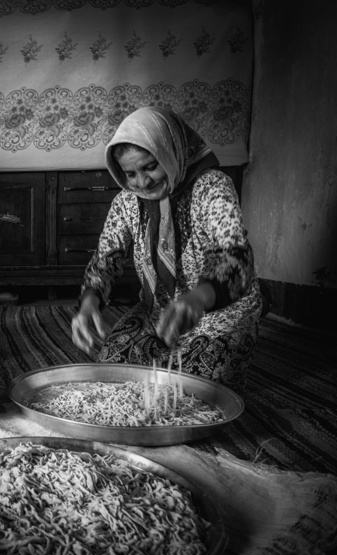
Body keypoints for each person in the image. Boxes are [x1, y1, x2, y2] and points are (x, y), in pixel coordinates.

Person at [71, 106, 263, 391]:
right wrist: (89, 303)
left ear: (170, 151)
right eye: (130, 173)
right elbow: (105, 260)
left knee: (192, 388)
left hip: (216, 312)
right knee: (110, 373)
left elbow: (235, 258)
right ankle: (165, 357)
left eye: (150, 166)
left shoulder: (212, 187)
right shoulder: (127, 201)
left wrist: (197, 299)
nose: (142, 182)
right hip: (158, 314)